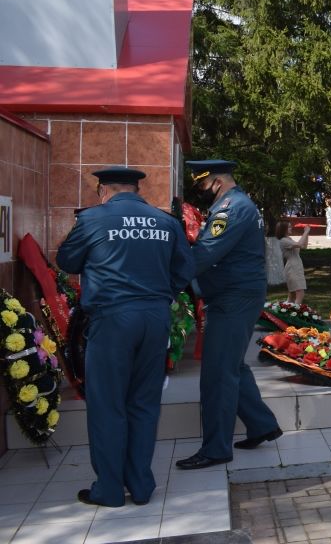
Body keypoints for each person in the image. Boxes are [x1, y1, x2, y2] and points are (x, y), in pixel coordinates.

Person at [57, 166, 193, 506]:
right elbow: (185, 270)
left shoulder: (93, 220)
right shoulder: (166, 222)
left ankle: (110, 489)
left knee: (107, 404)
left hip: (113, 319)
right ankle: (141, 486)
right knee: (144, 404)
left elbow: (67, 260)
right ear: (135, 189)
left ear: (104, 190)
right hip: (155, 317)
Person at [176, 160, 283, 470]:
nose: (200, 191)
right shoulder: (236, 203)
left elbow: (207, 252)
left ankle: (216, 448)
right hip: (237, 294)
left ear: (217, 181)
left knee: (217, 374)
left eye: (201, 185)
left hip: (232, 297)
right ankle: (262, 424)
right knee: (232, 366)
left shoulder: (230, 208)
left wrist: (169, 274)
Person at [276, 221, 310, 305]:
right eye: (289, 227)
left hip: (296, 265)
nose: (291, 228)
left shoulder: (289, 239)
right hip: (293, 267)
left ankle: (288, 310)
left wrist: (307, 234)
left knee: (292, 295)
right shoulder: (283, 241)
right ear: (284, 229)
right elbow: (299, 243)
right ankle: (297, 311)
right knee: (300, 292)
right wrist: (305, 232)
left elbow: (303, 246)